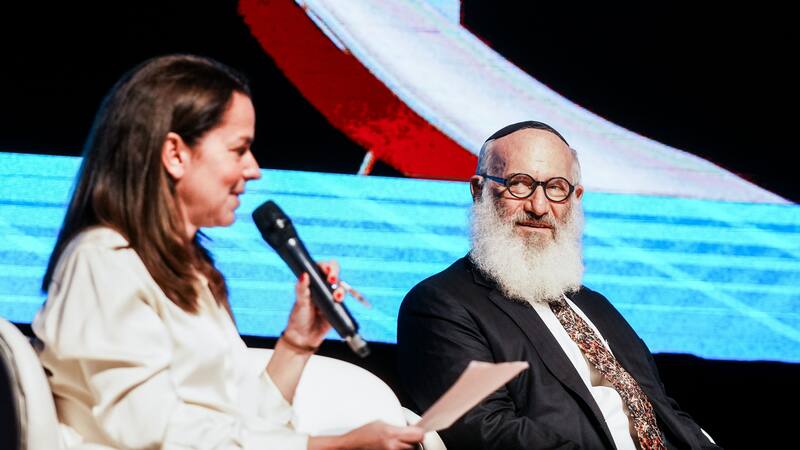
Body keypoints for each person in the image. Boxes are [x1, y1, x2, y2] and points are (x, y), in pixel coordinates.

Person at [33, 54, 423, 450]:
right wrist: (336, 445)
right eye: (239, 150)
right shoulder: (104, 261)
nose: (254, 169)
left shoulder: (188, 270)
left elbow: (242, 431)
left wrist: (296, 344)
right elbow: (156, 436)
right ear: (175, 154)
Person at [397, 121, 720, 449]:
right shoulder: (440, 304)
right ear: (479, 190)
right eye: (519, 184)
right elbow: (486, 430)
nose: (538, 207)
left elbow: (658, 408)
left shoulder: (594, 305)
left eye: (556, 188)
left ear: (575, 196)